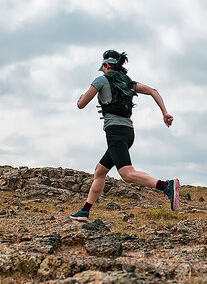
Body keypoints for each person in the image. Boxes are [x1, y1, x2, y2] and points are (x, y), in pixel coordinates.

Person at [70, 49, 180, 222]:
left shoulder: (101, 80)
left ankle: (167, 186)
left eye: (103, 68)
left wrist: (80, 98)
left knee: (127, 174)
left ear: (106, 65)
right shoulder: (129, 82)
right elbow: (153, 90)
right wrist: (165, 113)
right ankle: (85, 211)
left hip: (115, 132)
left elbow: (82, 104)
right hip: (128, 132)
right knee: (100, 171)